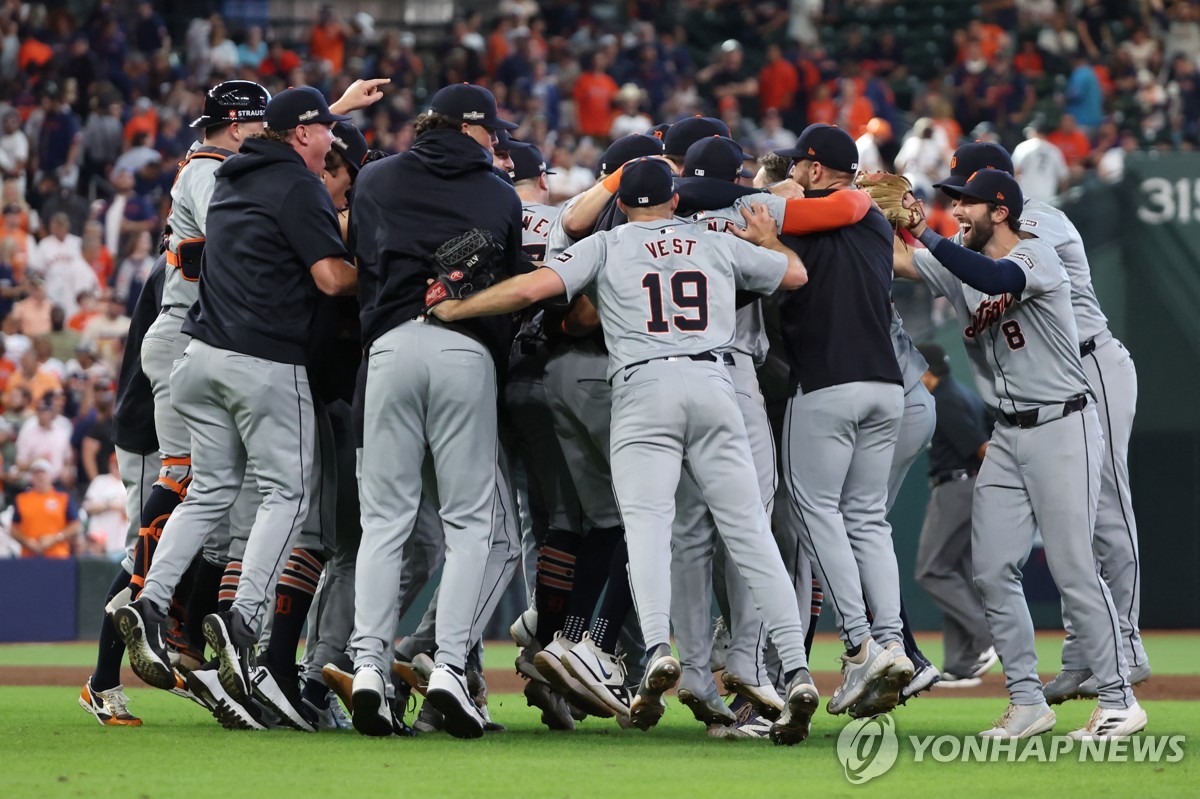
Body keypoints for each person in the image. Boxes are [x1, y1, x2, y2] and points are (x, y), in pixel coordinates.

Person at [430, 157, 821, 746]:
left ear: (626, 203)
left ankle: (659, 647)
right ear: (672, 200)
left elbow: (534, 288)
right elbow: (794, 276)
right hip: (714, 384)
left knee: (646, 526)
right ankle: (794, 670)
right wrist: (771, 240)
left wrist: (458, 308)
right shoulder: (705, 237)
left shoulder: (609, 244)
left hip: (643, 384)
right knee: (749, 532)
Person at [112, 85, 358, 733]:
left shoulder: (229, 179)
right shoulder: (297, 185)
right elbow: (332, 278)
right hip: (261, 358)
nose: (332, 141)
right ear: (302, 133)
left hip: (198, 355)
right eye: (326, 130)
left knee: (209, 490)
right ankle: (241, 614)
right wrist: (389, 270)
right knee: (288, 492)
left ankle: (153, 599)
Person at [893, 168, 1145, 740]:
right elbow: (904, 264)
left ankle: (1118, 700)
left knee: (1074, 566)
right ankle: (1027, 701)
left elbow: (993, 273)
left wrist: (925, 235)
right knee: (990, 570)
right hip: (1006, 435)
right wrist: (873, 215)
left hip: (1064, 423)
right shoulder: (959, 256)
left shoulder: (1037, 255)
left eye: (967, 205)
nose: (955, 213)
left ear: (1000, 212)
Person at [346, 82, 523, 740]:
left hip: (389, 346)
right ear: (474, 131)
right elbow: (505, 292)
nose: (492, 141)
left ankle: (367, 663)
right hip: (465, 353)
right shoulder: (501, 193)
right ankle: (449, 666)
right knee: (470, 522)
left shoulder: (378, 178)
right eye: (489, 132)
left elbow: (362, 260)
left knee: (384, 520)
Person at [774, 124, 911, 715]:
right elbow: (849, 204)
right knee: (868, 520)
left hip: (828, 383)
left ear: (811, 168)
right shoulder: (877, 223)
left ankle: (859, 647)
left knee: (817, 514)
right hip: (887, 385)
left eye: (798, 166)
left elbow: (776, 219)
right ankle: (894, 641)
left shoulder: (802, 218)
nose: (793, 175)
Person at [912, 342, 995, 685]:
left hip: (958, 487)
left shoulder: (947, 400)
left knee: (931, 570)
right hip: (965, 487)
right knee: (953, 571)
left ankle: (986, 636)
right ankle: (962, 663)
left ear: (927, 372)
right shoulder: (959, 392)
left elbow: (984, 448)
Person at [10, 458, 79, 557]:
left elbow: (75, 526)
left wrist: (56, 538)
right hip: (29, 555)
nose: (40, 476)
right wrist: (27, 541)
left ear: (50, 475)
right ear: (32, 477)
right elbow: (13, 528)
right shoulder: (22, 499)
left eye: (43, 472)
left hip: (57, 554)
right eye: (36, 473)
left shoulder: (62, 498)